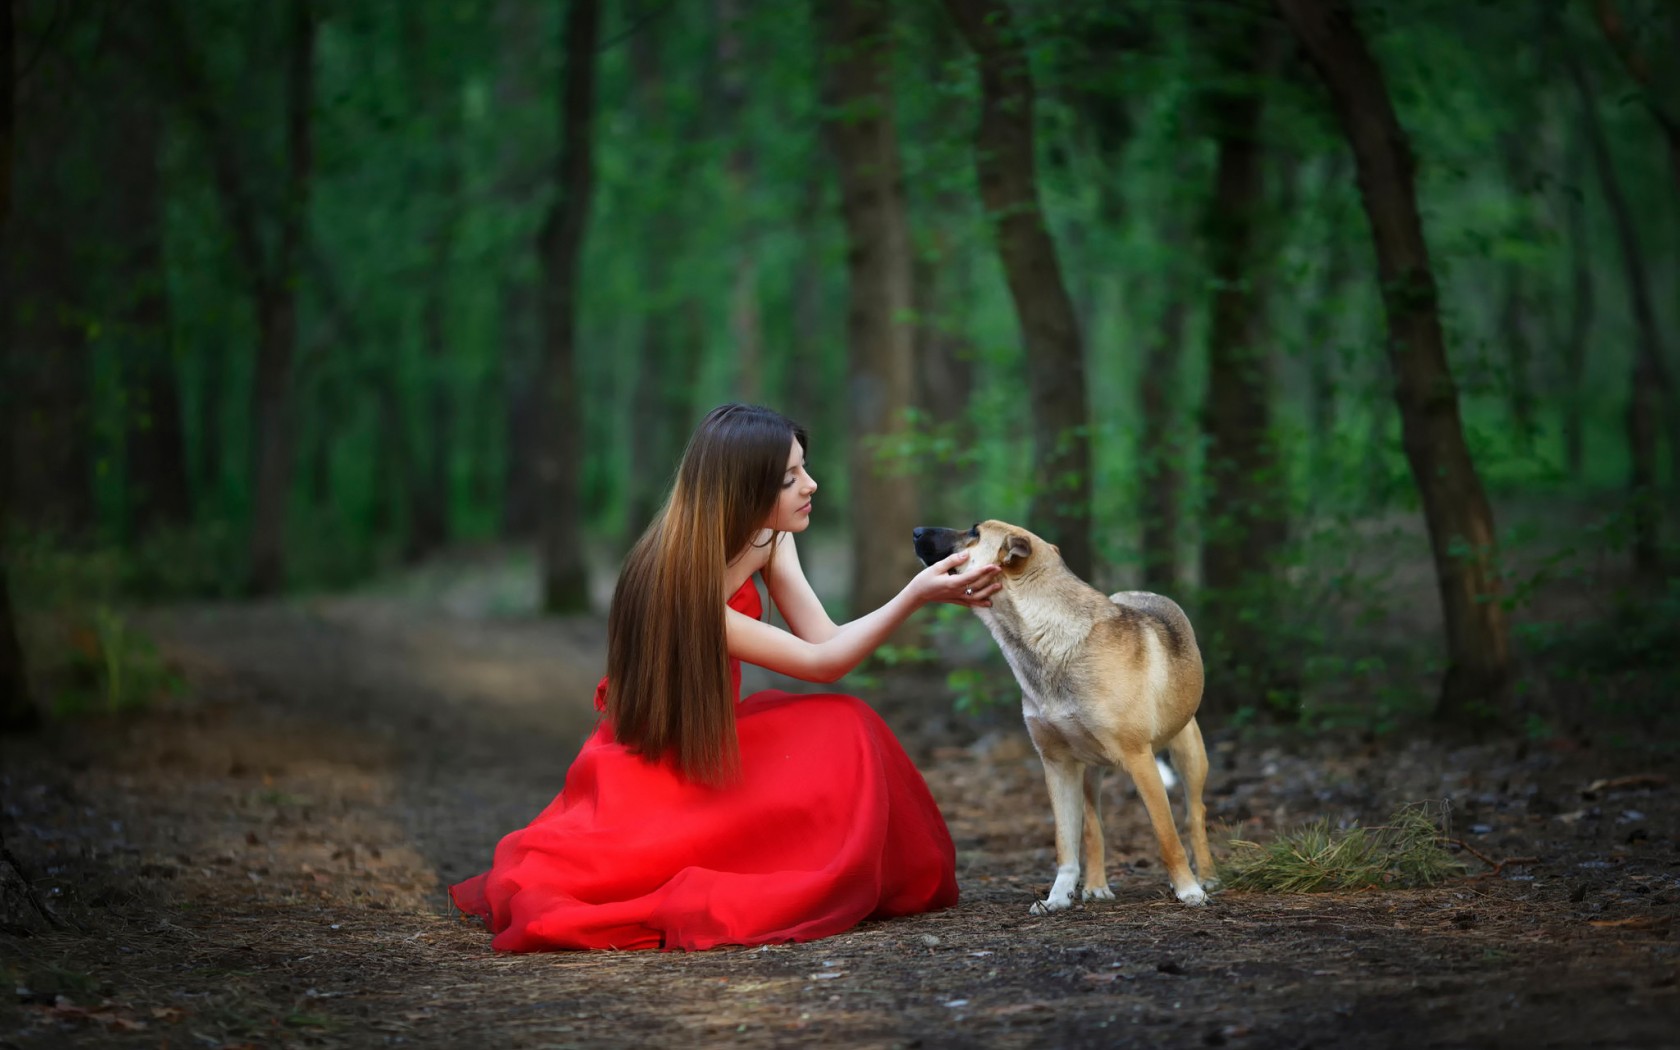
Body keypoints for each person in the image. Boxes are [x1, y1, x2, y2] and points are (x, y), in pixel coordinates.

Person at [450, 403, 1002, 951]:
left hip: (712, 733)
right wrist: (915, 595)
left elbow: (825, 639)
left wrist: (917, 594)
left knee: (848, 725)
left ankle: (863, 873)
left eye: (804, 467)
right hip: (662, 762)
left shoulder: (769, 537)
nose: (811, 485)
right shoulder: (683, 587)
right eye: (790, 478)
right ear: (743, 489)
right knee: (845, 728)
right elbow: (824, 666)